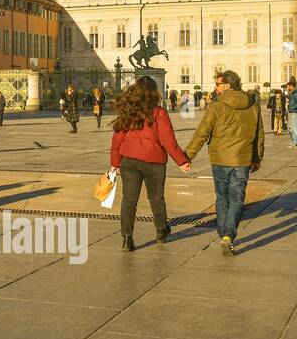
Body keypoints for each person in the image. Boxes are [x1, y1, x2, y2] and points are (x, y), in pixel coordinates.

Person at [185, 70, 264, 257]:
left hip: (220, 158)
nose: (216, 87)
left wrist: (187, 155)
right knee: (237, 199)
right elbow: (259, 133)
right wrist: (256, 157)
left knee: (222, 199)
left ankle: (224, 233)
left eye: (218, 84)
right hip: (242, 159)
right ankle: (228, 235)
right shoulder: (252, 104)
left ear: (227, 85)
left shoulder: (216, 105)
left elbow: (202, 132)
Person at [109, 76, 190, 251]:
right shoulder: (159, 113)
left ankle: (127, 239)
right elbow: (169, 142)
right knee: (156, 198)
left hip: (129, 161)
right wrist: (182, 161)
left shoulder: (128, 112)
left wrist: (115, 163)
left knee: (129, 200)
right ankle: (161, 230)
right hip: (154, 162)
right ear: (154, 92)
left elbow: (117, 140)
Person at [285, 78, 297, 148]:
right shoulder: (291, 93)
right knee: (291, 128)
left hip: (295, 112)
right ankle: (294, 141)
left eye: (288, 86)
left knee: (296, 127)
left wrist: (292, 108)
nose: (287, 88)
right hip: (291, 112)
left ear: (291, 86)